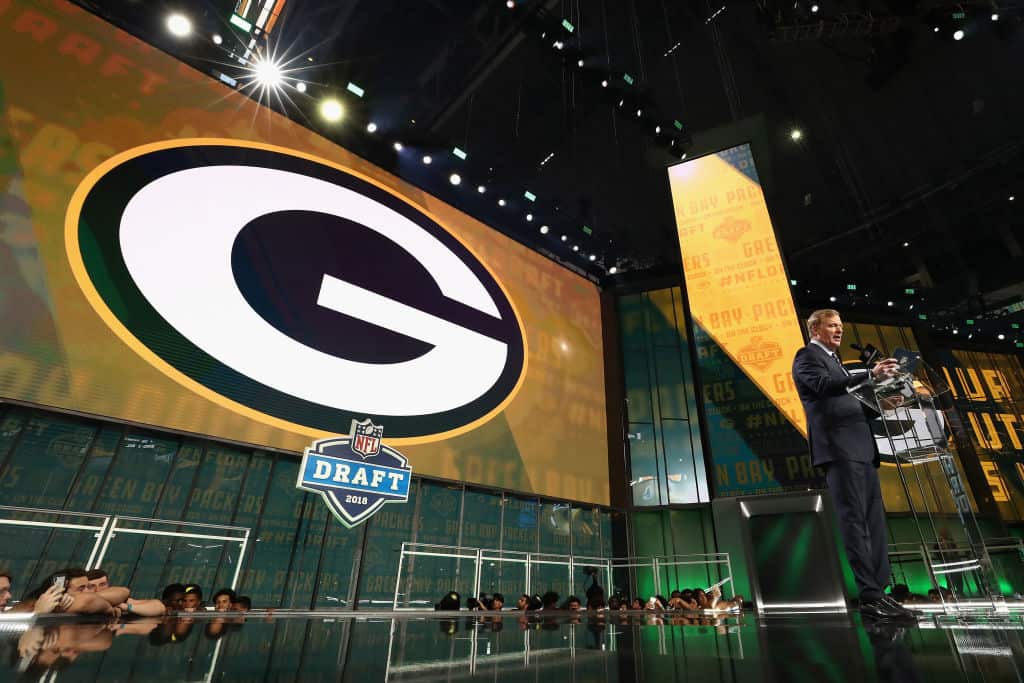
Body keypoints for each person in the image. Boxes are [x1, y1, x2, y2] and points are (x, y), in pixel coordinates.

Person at [792, 309, 918, 621]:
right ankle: (870, 596)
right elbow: (824, 386)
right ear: (816, 329)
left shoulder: (837, 363)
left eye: (841, 326)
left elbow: (855, 403)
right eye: (833, 326)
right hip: (839, 450)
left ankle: (881, 592)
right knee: (855, 523)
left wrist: (889, 401)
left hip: (863, 449)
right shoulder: (806, 356)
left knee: (874, 524)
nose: (839, 331)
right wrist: (869, 373)